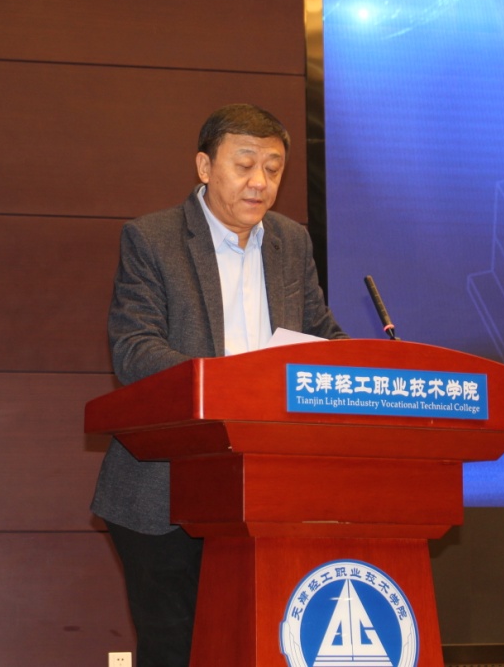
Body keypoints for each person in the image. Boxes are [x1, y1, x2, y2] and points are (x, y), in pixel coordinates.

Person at [90, 103, 348, 667]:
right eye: (245, 164)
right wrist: (236, 387)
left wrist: (364, 367)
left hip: (267, 488)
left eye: (273, 169)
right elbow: (135, 350)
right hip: (165, 488)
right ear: (205, 167)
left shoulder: (291, 242)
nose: (260, 182)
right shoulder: (153, 239)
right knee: (179, 651)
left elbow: (320, 335)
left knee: (252, 644)